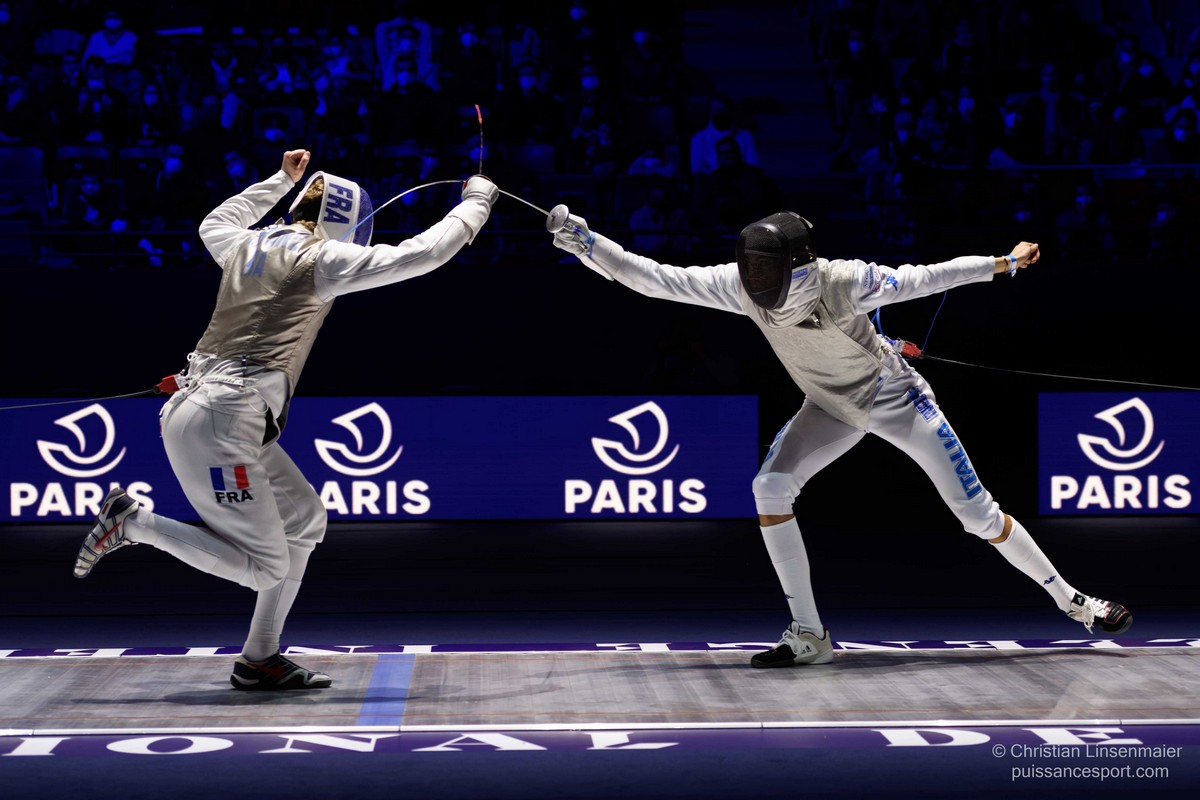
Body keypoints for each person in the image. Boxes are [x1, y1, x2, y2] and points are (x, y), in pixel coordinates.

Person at [549, 208, 1132, 668]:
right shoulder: (739, 287)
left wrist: (1003, 263)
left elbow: (930, 277)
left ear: (798, 264)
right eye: (751, 265)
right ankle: (809, 635)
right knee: (770, 488)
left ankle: (1075, 603)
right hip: (830, 406)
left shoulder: (846, 280)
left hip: (896, 400)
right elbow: (655, 279)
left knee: (977, 514)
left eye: (765, 267)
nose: (755, 277)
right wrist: (587, 244)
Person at [73, 149, 498, 689]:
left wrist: (279, 179)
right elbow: (426, 254)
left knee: (304, 520)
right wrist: (477, 202)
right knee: (264, 568)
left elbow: (214, 222)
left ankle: (259, 659)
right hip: (222, 423)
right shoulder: (322, 259)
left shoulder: (247, 243)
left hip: (217, 413)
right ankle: (133, 523)